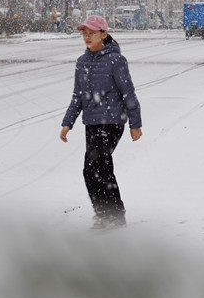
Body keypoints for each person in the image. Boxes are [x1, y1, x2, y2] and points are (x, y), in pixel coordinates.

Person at [60, 15, 143, 231]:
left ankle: (114, 215)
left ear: (104, 35)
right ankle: (104, 214)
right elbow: (77, 96)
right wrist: (68, 122)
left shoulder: (116, 60)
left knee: (100, 167)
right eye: (84, 34)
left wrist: (135, 123)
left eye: (92, 33)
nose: (87, 37)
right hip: (92, 123)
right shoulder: (82, 62)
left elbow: (128, 93)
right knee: (92, 170)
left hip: (112, 121)